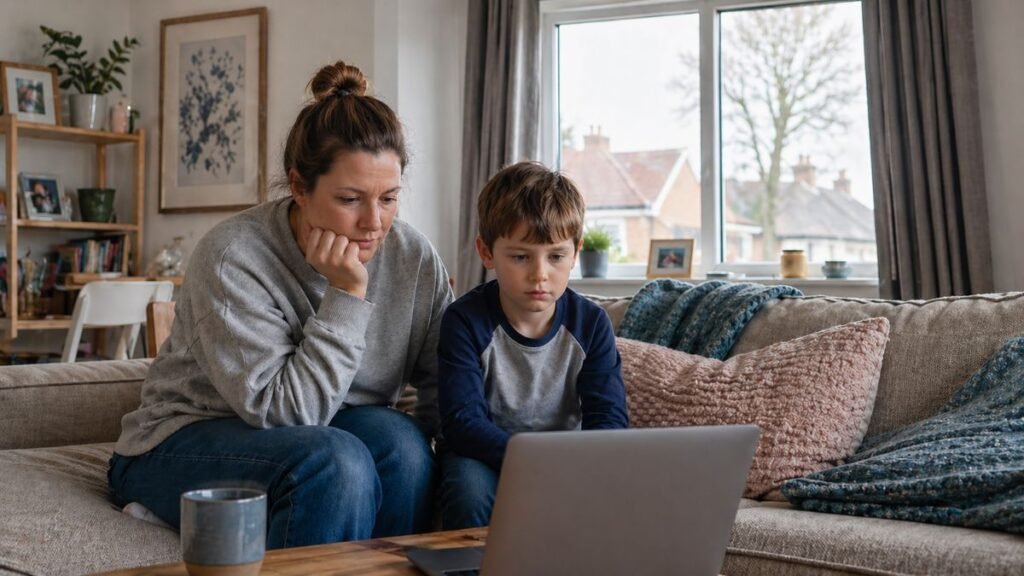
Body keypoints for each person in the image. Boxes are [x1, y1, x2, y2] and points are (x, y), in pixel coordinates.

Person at [107, 61, 453, 548]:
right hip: (184, 439)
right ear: (299, 186)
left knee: (405, 446)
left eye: (390, 197)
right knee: (335, 462)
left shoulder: (412, 256)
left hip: (326, 430)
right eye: (351, 199)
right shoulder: (233, 256)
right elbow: (286, 415)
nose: (375, 222)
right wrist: (347, 296)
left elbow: (445, 385)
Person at [437, 161, 629, 529]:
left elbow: (609, 418)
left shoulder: (591, 323)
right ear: (487, 252)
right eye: (521, 256)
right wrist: (532, 461)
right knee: (469, 492)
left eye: (555, 256)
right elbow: (462, 422)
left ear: (576, 253)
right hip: (481, 455)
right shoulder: (464, 320)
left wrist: (576, 463)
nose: (540, 273)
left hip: (567, 456)